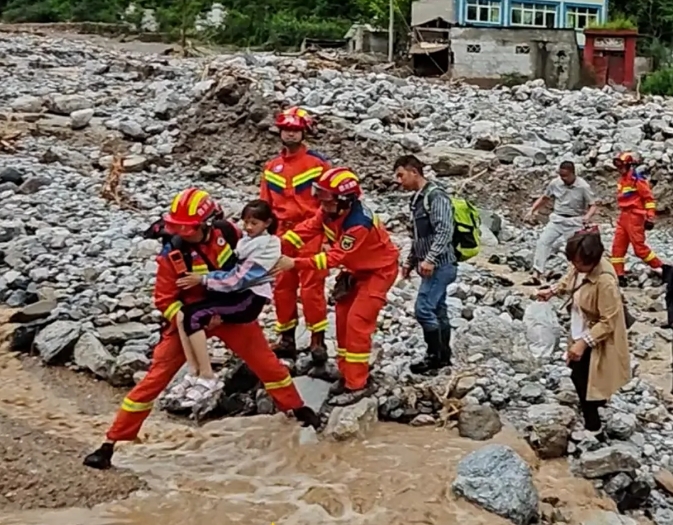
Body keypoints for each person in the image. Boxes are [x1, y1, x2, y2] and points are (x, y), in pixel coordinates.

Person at [83, 188, 320, 470]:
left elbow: (245, 268)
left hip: (229, 312)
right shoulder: (172, 255)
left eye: (191, 229)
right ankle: (111, 442)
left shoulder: (229, 234)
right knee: (155, 378)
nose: (185, 234)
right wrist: (186, 319)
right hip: (190, 319)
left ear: (208, 224)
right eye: (181, 229)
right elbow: (164, 300)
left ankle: (297, 408)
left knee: (268, 365)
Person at [272, 167, 400, 405]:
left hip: (378, 273)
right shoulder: (330, 211)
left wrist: (294, 263)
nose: (322, 203)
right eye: (320, 196)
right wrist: (278, 243)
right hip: (356, 271)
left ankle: (357, 384)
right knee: (342, 318)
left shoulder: (358, 224)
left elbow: (332, 258)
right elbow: (309, 228)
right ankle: (346, 372)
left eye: (326, 199)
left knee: (357, 322)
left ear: (344, 200)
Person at [165, 199, 281, 407]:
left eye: (254, 222)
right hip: (233, 296)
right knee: (184, 315)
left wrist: (203, 279)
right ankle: (194, 372)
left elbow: (238, 277)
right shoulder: (244, 239)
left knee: (194, 316)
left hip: (247, 299)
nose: (248, 227)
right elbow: (165, 295)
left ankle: (208, 376)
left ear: (267, 223)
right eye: (246, 222)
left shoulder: (263, 245)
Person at [537, 229, 630, 436]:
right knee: (584, 375)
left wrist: (583, 343)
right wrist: (552, 291)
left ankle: (593, 428)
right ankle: (598, 403)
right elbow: (570, 279)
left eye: (579, 263)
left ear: (593, 260)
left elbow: (608, 321)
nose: (575, 266)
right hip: (580, 326)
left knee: (582, 377)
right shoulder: (580, 266)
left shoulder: (605, 281)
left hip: (597, 336)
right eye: (573, 262)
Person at [260, 106, 331, 364]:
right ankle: (287, 338)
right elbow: (264, 203)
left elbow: (330, 203)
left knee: (312, 289)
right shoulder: (271, 167)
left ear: (305, 132)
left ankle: (317, 341)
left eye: (295, 130)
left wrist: (327, 236)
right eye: (287, 130)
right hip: (282, 233)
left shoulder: (318, 163)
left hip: (311, 231)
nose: (290, 135)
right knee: (283, 287)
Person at [394, 155, 456, 374]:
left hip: (441, 264)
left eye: (401, 175)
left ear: (414, 171)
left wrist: (430, 258)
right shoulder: (417, 199)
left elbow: (445, 230)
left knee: (424, 308)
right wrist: (410, 261)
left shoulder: (436, 196)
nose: (399, 181)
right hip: (428, 264)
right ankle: (444, 357)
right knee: (438, 309)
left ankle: (434, 356)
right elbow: (418, 237)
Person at [524, 161, 597, 286]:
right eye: (561, 175)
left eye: (566, 176)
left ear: (573, 174)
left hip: (574, 221)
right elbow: (545, 198)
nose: (563, 179)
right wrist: (532, 209)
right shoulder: (555, 183)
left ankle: (575, 277)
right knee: (543, 242)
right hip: (557, 219)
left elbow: (593, 205)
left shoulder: (583, 187)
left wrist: (587, 217)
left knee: (575, 250)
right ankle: (537, 273)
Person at [610, 151, 663, 287]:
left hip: (635, 217)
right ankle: (619, 275)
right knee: (617, 248)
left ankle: (663, 268)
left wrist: (650, 217)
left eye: (621, 166)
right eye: (618, 167)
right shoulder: (622, 180)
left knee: (639, 249)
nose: (619, 169)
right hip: (624, 216)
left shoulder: (637, 180)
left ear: (628, 165)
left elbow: (648, 199)